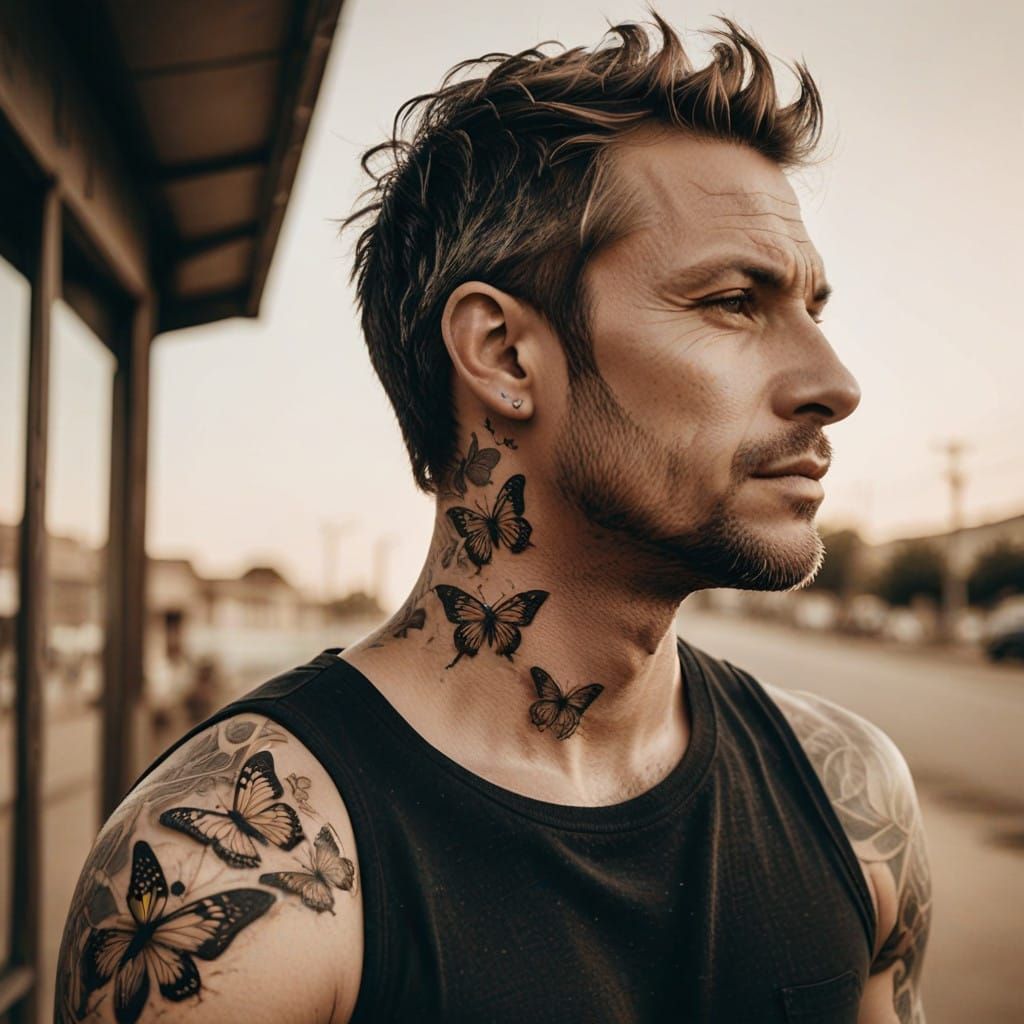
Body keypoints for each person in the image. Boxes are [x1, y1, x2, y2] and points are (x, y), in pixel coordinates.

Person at [57, 14, 931, 1024]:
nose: (834, 383)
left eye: (814, 311)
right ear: (506, 356)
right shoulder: (239, 877)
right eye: (736, 302)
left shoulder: (850, 801)